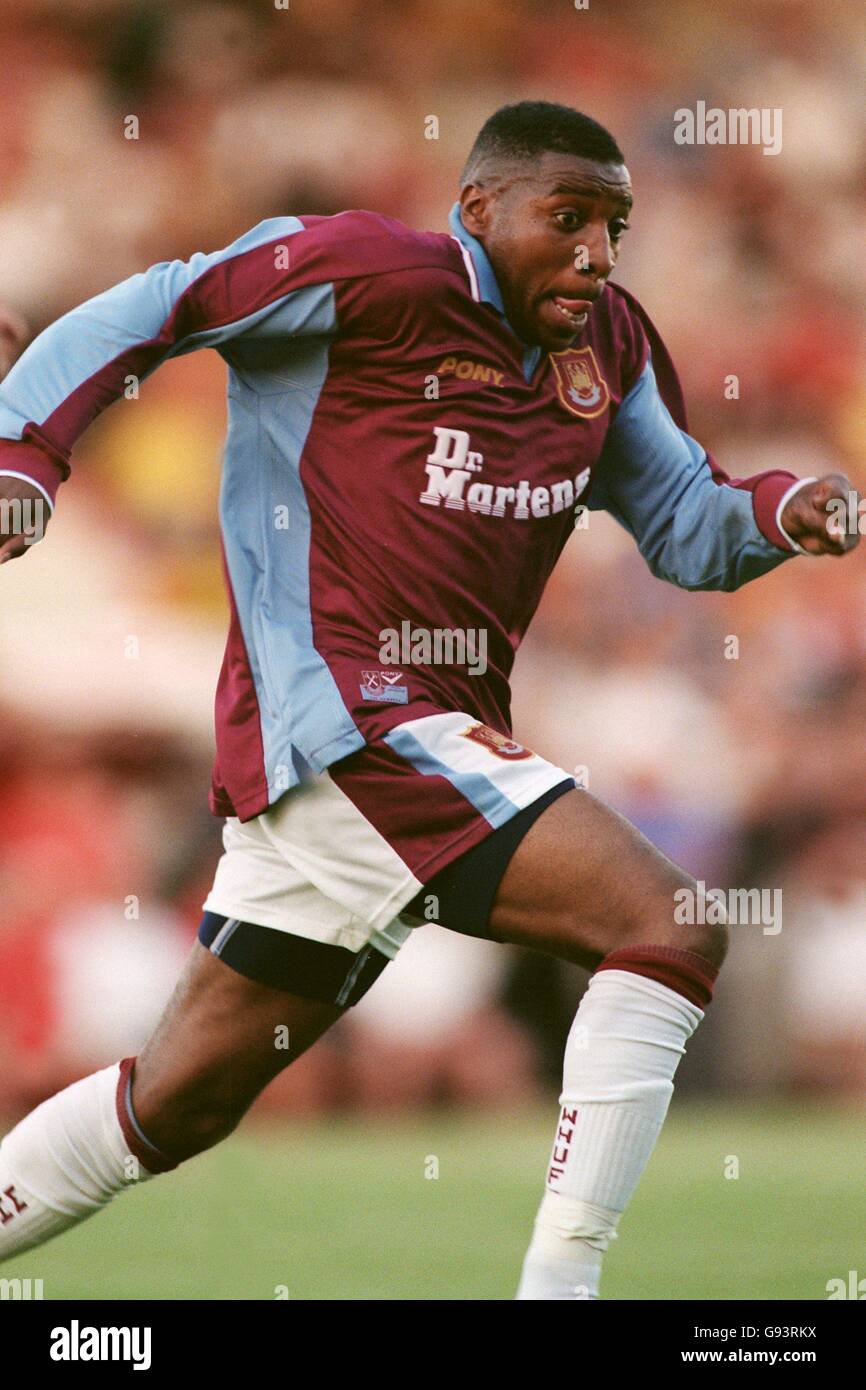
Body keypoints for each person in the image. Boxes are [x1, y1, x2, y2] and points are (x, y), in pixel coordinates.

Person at [0, 101, 855, 1299]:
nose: (596, 252)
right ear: (477, 209)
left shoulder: (600, 345)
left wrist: (781, 513)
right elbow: (164, 300)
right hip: (349, 720)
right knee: (665, 920)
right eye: (566, 219)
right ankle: (559, 1292)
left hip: (384, 760)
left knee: (176, 1102)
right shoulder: (365, 273)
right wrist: (24, 448)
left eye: (613, 224)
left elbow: (685, 521)